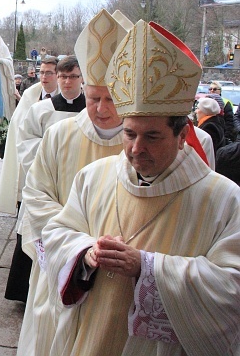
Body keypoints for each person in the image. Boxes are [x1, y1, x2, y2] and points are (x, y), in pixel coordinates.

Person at [42, 20, 240, 355]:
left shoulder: (223, 199)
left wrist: (147, 269)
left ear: (181, 137)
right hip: (92, 335)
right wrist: (85, 254)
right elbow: (56, 234)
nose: (136, 149)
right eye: (130, 134)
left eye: (152, 137)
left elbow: (232, 287)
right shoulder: (93, 178)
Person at [16, 9, 128, 355]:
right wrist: (76, 243)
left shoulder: (139, 142)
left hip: (117, 266)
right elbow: (35, 194)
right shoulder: (61, 134)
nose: (101, 108)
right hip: (63, 260)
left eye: (112, 99)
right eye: (94, 98)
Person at [0, 56, 60, 302]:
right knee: (26, 231)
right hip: (32, 174)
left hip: (59, 175)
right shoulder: (31, 97)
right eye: (42, 72)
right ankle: (22, 290)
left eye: (50, 73)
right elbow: (20, 136)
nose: (45, 77)